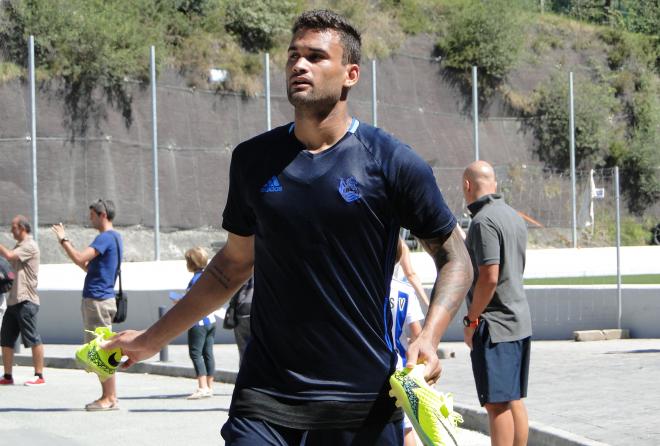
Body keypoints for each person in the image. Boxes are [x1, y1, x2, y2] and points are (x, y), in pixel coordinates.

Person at [105, 9, 472, 445]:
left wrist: (429, 336)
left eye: (316, 57)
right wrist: (149, 340)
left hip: (361, 403)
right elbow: (229, 268)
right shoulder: (252, 160)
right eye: (294, 55)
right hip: (264, 398)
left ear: (350, 73)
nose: (299, 65)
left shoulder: (391, 161)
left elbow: (455, 257)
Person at [461, 161, 532, 446]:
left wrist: (472, 319)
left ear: (467, 186)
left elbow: (489, 277)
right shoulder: (513, 216)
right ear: (495, 184)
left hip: (495, 326)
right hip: (518, 319)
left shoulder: (483, 221)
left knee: (496, 404)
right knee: (513, 398)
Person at [51, 199, 123, 411]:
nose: (90, 219)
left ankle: (109, 398)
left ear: (102, 215)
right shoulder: (115, 238)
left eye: (92, 215)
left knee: (101, 350)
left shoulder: (105, 238)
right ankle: (109, 397)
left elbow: (81, 257)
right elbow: (87, 266)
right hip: (102, 298)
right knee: (100, 349)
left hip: (98, 301)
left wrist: (64, 239)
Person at [0, 215, 45, 386]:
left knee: (32, 338)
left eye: (13, 227)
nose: (11, 230)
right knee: (5, 339)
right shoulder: (19, 246)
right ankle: (7, 376)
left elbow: (10, 256)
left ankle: (39, 375)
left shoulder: (29, 246)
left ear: (23, 228)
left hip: (26, 300)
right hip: (13, 300)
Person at [390, 239, 424, 446]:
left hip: (366, 368)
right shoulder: (403, 291)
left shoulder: (360, 289)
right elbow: (417, 335)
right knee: (403, 427)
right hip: (397, 367)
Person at [181, 247, 216, 399]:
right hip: (211, 320)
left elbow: (190, 301)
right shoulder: (210, 276)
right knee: (208, 353)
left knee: (196, 353)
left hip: (198, 322)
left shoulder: (195, 280)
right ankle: (209, 385)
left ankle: (202, 387)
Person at [224, 276, 253, 364]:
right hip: (259, 310)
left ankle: (246, 374)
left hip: (243, 310)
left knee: (243, 349)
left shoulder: (245, 267)